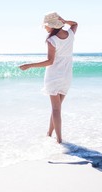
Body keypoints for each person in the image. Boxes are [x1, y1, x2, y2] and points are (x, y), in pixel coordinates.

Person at [19, 12, 78, 143]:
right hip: (67, 75)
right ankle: (49, 133)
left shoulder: (51, 40)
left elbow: (50, 62)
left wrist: (29, 65)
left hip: (54, 76)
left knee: (56, 109)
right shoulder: (70, 35)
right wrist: (64, 21)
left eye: (46, 25)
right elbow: (75, 24)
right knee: (57, 108)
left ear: (52, 26)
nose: (45, 28)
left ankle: (59, 140)